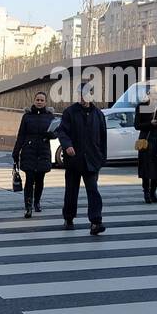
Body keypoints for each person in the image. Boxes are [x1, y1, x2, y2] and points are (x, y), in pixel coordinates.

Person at [57, 81, 108, 236]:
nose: (83, 97)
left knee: (93, 191)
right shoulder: (69, 112)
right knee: (71, 191)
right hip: (74, 160)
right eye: (81, 94)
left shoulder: (98, 114)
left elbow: (103, 138)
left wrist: (101, 159)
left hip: (92, 160)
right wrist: (67, 145)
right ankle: (69, 217)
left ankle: (95, 222)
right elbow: (62, 132)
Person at [12, 92, 54, 217]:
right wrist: (16, 151)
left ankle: (37, 202)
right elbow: (21, 135)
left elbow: (56, 133)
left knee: (40, 179)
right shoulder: (27, 116)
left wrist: (51, 135)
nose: (39, 102)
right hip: (29, 151)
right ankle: (28, 206)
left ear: (45, 102)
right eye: (37, 99)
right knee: (29, 179)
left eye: (42, 100)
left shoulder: (50, 116)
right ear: (34, 101)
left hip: (43, 151)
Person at [134, 91, 157, 203]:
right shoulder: (142, 107)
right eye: (154, 94)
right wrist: (151, 123)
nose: (156, 96)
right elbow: (137, 125)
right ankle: (146, 192)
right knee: (146, 169)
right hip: (146, 142)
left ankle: (153, 192)